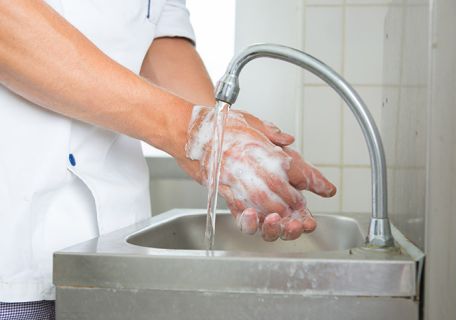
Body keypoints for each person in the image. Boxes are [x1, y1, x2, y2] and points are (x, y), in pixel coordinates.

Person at [0, 0, 336, 318]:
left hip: (116, 250)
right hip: (12, 241)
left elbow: (158, 37)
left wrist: (230, 147)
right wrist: (193, 134)